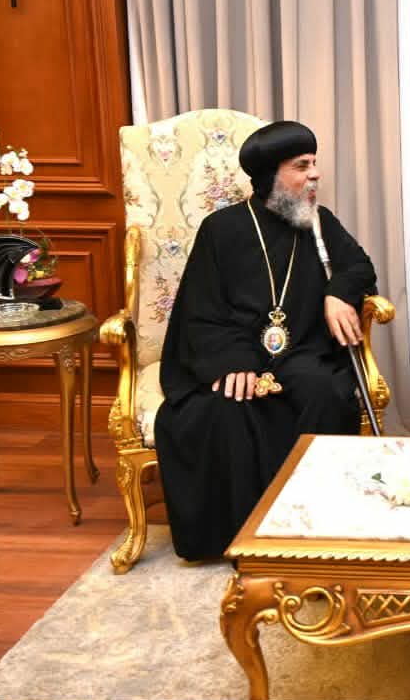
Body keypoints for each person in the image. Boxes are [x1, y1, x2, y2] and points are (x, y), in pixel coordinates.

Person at [154, 120, 376, 561]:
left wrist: (337, 292)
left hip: (302, 353)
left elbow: (359, 267)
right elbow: (200, 310)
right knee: (221, 409)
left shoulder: (319, 224)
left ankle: (314, 532)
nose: (315, 174)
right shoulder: (222, 230)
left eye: (314, 164)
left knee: (325, 394)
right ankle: (244, 541)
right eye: (302, 166)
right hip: (236, 353)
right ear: (271, 174)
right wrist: (233, 361)